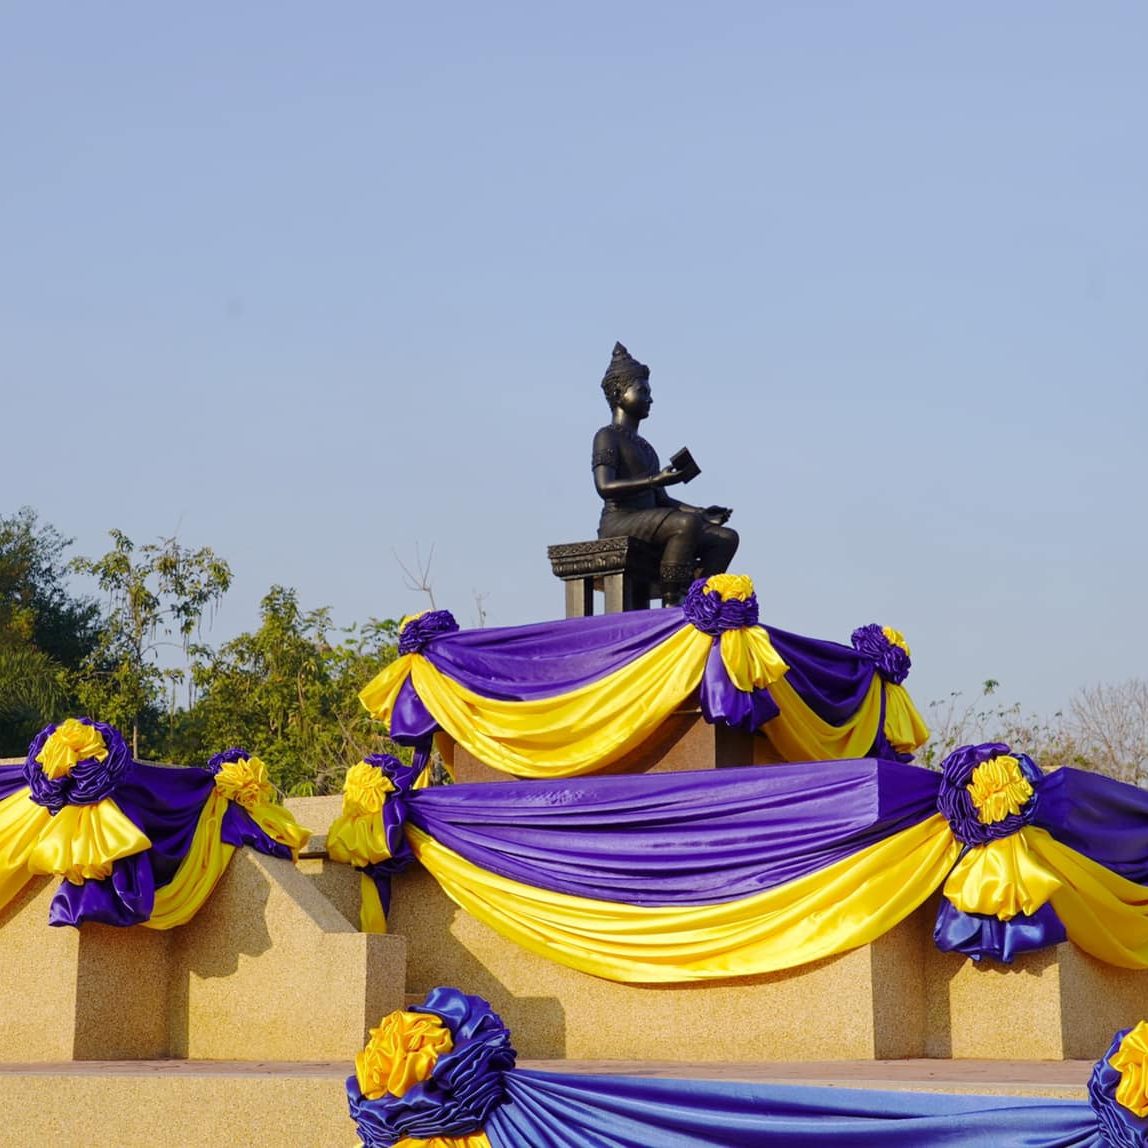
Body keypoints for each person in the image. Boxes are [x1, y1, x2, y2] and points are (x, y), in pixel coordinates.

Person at [592, 342, 738, 604]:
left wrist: (702, 512)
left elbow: (662, 500)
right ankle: (673, 601)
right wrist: (654, 479)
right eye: (643, 391)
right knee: (684, 524)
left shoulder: (646, 448)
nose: (650, 399)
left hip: (651, 518)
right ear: (618, 393)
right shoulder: (607, 436)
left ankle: (700, 598)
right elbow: (604, 487)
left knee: (725, 538)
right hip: (619, 520)